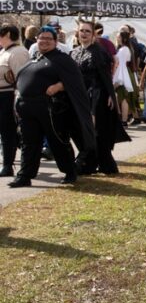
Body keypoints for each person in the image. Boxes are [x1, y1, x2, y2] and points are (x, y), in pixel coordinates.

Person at [9, 26, 94, 188]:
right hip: (28, 108)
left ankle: (70, 171)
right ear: (37, 40)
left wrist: (59, 86)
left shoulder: (62, 59)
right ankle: (24, 176)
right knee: (29, 143)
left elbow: (76, 81)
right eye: (42, 38)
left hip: (49, 109)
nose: (45, 41)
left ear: (56, 42)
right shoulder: (35, 58)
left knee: (58, 142)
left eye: (49, 39)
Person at [71, 20, 126, 176]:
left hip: (97, 94)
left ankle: (104, 164)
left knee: (97, 131)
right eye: (82, 31)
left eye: (88, 31)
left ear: (93, 34)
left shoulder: (98, 51)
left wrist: (110, 93)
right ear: (77, 32)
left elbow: (105, 75)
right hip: (81, 96)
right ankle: (93, 162)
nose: (84, 34)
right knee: (84, 131)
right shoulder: (75, 51)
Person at [0, 24, 31, 177]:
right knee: (5, 131)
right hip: (3, 94)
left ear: (6, 34)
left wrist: (18, 100)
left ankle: (7, 164)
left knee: (8, 131)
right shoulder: (5, 52)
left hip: (9, 95)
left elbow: (21, 78)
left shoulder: (17, 52)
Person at [113, 29, 142, 126]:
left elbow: (120, 65)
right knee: (126, 98)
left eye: (118, 36)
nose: (116, 37)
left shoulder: (123, 49)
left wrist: (118, 79)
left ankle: (124, 120)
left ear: (123, 38)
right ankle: (126, 119)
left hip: (123, 75)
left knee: (124, 98)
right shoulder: (126, 48)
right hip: (125, 74)